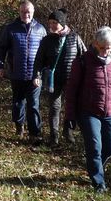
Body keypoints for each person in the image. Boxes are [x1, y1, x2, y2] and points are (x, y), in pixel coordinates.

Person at [65, 26, 111, 191]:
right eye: (102, 48)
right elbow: (71, 90)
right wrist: (70, 115)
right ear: (94, 44)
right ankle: (98, 182)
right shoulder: (82, 62)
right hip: (88, 112)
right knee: (94, 147)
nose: (105, 52)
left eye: (109, 48)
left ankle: (96, 167)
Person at [0, 0, 48, 140]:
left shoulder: (41, 29)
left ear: (33, 12)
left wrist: (43, 72)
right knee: (18, 103)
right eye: (23, 12)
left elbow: (45, 54)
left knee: (34, 104)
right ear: (19, 12)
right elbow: (1, 48)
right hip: (16, 73)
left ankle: (34, 133)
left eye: (28, 12)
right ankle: (19, 127)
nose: (26, 14)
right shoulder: (11, 28)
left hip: (34, 76)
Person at [32, 9, 86, 147]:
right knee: (54, 107)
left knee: (71, 107)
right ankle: (53, 136)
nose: (52, 25)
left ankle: (68, 132)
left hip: (71, 80)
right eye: (50, 22)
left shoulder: (75, 38)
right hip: (53, 80)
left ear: (62, 23)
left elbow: (84, 58)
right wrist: (36, 75)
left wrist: (86, 77)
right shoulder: (46, 41)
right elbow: (39, 60)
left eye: (55, 22)